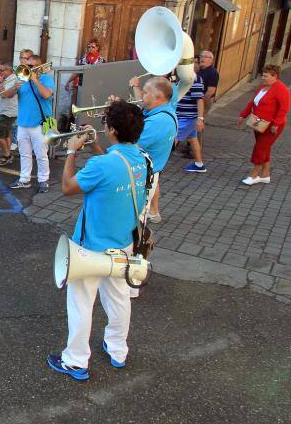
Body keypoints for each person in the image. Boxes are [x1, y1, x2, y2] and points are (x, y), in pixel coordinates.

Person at [47, 100, 147, 381]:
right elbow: (115, 170)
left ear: (112, 130)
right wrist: (94, 145)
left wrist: (70, 151)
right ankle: (118, 350)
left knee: (80, 303)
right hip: (123, 245)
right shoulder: (142, 159)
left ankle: (76, 360)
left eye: (105, 124)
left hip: (90, 248)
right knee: (119, 299)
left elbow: (68, 187)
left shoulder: (101, 165)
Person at [2, 54, 55, 193]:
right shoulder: (21, 79)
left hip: (39, 124)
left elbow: (46, 95)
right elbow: (7, 95)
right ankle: (24, 179)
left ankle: (43, 180)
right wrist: (14, 87)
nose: (29, 68)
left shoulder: (47, 79)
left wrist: (35, 80)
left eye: (32, 66)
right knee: (24, 154)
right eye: (27, 65)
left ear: (39, 67)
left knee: (41, 154)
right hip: (23, 123)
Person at [129, 76, 177, 224]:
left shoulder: (158, 121)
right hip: (149, 174)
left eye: (145, 92)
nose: (141, 96)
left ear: (158, 97)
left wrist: (113, 119)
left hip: (140, 178)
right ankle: (153, 213)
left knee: (132, 224)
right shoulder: (164, 112)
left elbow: (127, 143)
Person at [236, 64, 291, 185]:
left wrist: (276, 124)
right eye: (263, 75)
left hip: (272, 126)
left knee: (260, 148)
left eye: (266, 76)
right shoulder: (262, 87)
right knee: (264, 148)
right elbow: (252, 102)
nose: (263, 78)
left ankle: (254, 175)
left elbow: (284, 109)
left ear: (275, 76)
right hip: (258, 123)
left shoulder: (282, 89)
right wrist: (242, 115)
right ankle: (265, 175)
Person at [175, 69, 206, 173]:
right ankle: (199, 164)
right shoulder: (181, 76)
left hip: (186, 117)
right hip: (186, 117)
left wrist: (200, 119)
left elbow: (199, 99)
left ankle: (157, 167)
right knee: (193, 139)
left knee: (171, 140)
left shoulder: (194, 79)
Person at [0, 64, 18, 166]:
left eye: (2, 70)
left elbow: (4, 95)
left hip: (8, 113)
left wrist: (0, 82)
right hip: (4, 111)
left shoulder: (12, 80)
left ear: (9, 70)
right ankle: (9, 155)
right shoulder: (6, 79)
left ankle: (7, 155)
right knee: (6, 135)